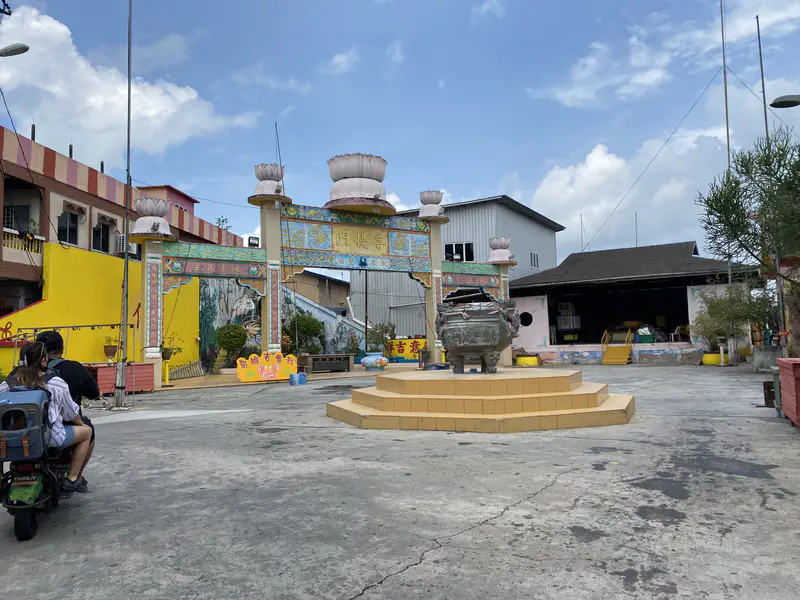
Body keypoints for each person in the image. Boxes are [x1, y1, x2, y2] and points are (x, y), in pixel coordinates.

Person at [0, 342, 91, 494]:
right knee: (87, 432)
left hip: (11, 439)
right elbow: (71, 413)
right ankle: (72, 478)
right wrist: (81, 423)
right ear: (43, 360)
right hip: (50, 438)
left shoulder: (7, 384)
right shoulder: (56, 382)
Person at [35, 330, 98, 490]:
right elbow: (92, 394)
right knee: (88, 429)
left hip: (28, 427)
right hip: (61, 427)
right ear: (61, 350)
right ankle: (74, 476)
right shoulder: (71, 371)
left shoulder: (24, 372)